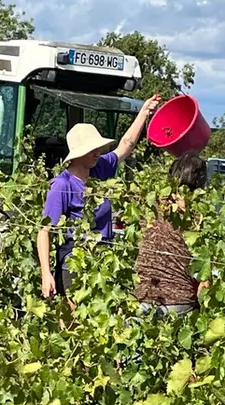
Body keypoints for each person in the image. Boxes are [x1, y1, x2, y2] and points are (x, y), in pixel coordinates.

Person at [37, 95, 161, 298]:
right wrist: (46, 273)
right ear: (78, 154)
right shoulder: (62, 184)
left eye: (98, 149)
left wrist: (144, 113)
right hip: (74, 262)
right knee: (75, 325)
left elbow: (125, 146)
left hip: (103, 259)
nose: (98, 152)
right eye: (92, 150)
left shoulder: (100, 168)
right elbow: (44, 230)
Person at [134, 151, 210, 317]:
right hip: (179, 303)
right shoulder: (198, 217)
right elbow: (204, 277)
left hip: (141, 298)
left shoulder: (149, 206)